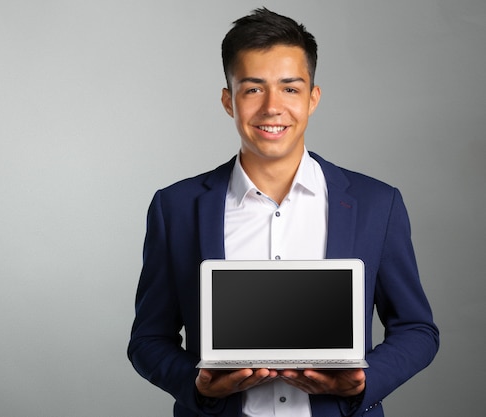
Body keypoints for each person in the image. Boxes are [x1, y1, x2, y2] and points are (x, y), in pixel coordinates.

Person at [128, 8, 439, 417]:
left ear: (313, 98)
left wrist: (364, 381)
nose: (273, 107)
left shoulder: (376, 204)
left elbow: (417, 330)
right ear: (228, 100)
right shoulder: (177, 208)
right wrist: (197, 385)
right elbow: (148, 339)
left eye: (290, 89)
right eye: (253, 89)